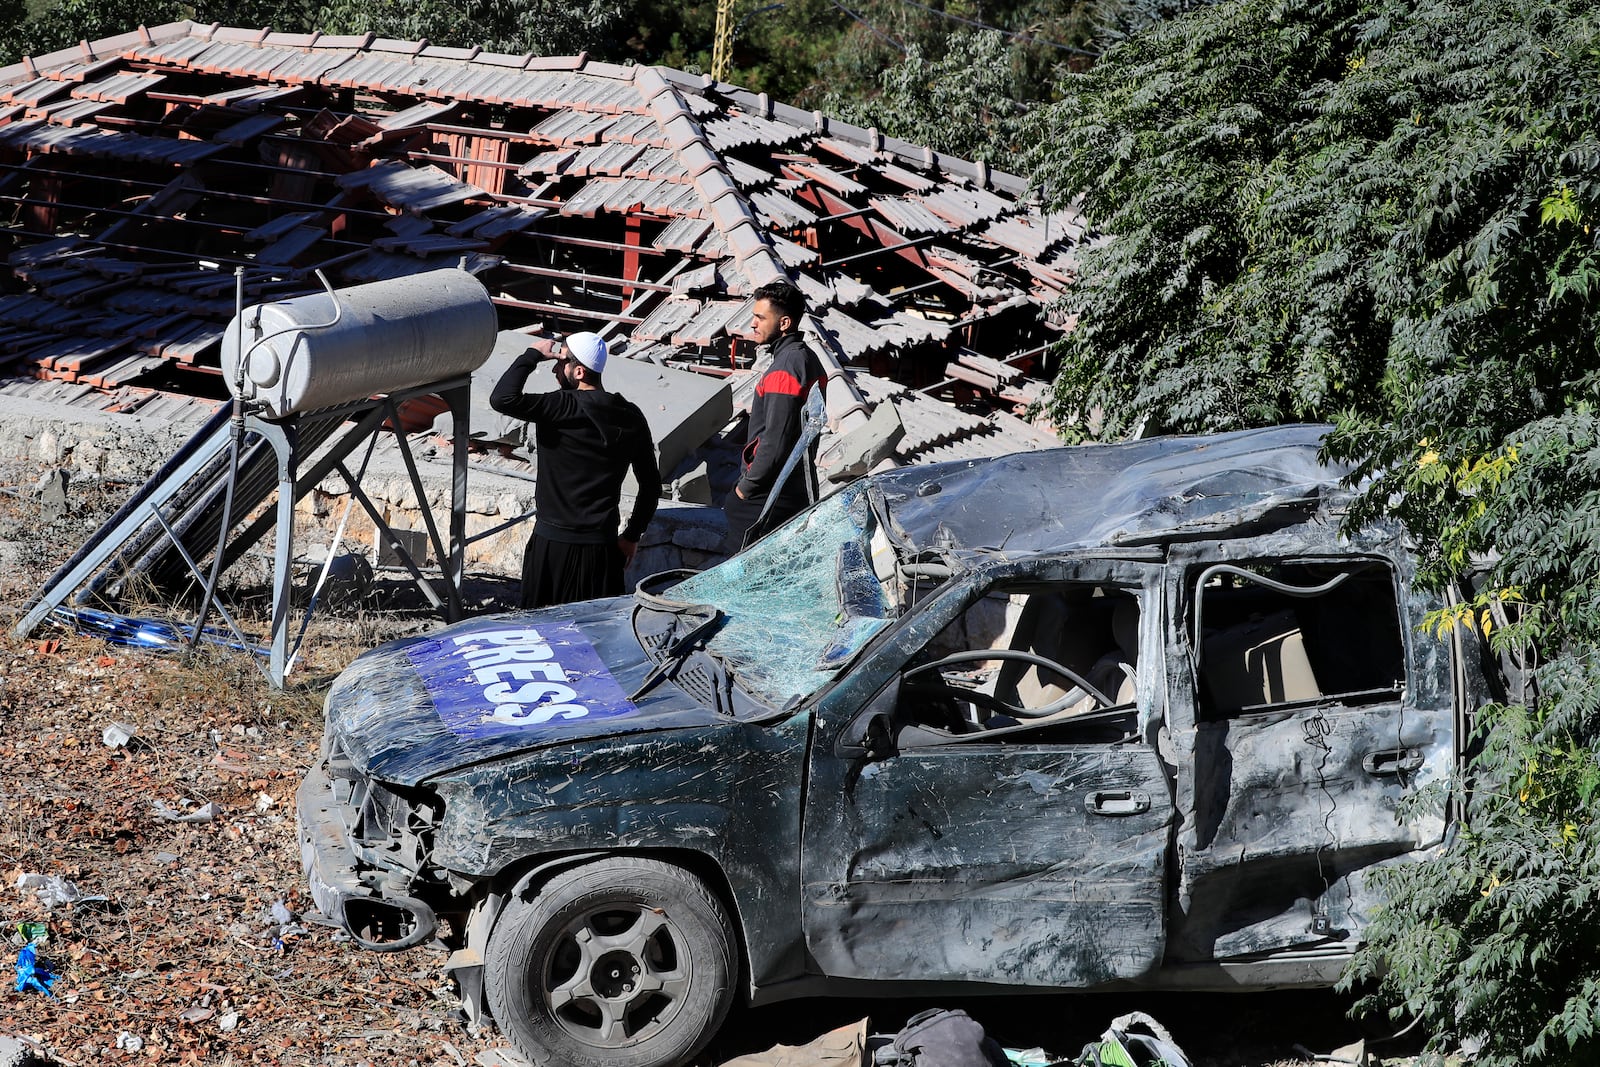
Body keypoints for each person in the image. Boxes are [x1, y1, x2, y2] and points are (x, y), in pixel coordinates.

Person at [490, 331, 659, 609]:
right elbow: (650, 485)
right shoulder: (630, 415)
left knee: (542, 633)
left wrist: (532, 355)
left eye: (561, 362)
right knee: (596, 637)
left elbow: (502, 398)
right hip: (601, 550)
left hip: (551, 546)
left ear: (578, 371)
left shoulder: (559, 407)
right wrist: (631, 536)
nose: (555, 367)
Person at [722, 280, 824, 554]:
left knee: (738, 577)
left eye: (760, 317)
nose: (753, 324)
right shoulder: (805, 358)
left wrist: (745, 489)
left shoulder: (786, 367)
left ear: (784, 323)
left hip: (768, 494)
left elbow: (775, 442)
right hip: (790, 488)